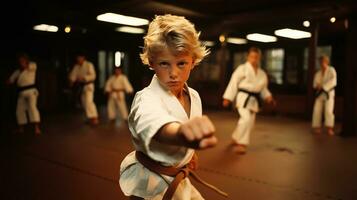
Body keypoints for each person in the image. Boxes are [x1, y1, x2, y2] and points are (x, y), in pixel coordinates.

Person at [119, 15, 227, 200]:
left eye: (181, 63)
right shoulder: (146, 99)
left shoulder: (193, 96)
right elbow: (153, 124)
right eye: (164, 63)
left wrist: (187, 155)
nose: (173, 74)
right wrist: (180, 134)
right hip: (151, 184)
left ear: (193, 61)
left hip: (178, 178)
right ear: (152, 63)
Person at [222, 47, 275, 154]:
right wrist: (228, 98)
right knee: (245, 119)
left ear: (259, 58)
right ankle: (242, 143)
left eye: (256, 57)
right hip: (243, 97)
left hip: (254, 99)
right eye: (252, 57)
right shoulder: (242, 69)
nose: (254, 59)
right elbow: (234, 82)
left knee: (250, 123)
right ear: (248, 57)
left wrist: (268, 97)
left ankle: (236, 137)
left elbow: (263, 88)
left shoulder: (262, 73)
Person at [7, 54, 41, 135]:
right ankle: (21, 129)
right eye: (20, 61)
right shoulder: (17, 72)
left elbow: (28, 67)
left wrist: (25, 65)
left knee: (32, 108)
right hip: (21, 92)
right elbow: (10, 80)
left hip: (31, 91)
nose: (21, 62)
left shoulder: (32, 65)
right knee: (19, 110)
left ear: (26, 60)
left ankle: (37, 128)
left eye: (23, 60)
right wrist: (8, 81)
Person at [69, 53, 99, 125]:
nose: (78, 59)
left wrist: (83, 78)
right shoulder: (76, 67)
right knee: (84, 102)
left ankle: (95, 117)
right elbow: (73, 75)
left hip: (89, 85)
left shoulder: (89, 65)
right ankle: (89, 118)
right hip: (81, 86)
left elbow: (93, 76)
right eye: (77, 58)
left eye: (80, 58)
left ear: (83, 58)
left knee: (89, 101)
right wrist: (72, 80)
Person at [312, 55, 337, 135]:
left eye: (323, 61)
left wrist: (323, 87)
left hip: (328, 93)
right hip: (319, 94)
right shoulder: (318, 73)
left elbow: (333, 81)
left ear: (326, 62)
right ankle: (317, 127)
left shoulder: (331, 70)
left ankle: (329, 128)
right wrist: (318, 86)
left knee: (328, 110)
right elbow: (315, 84)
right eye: (320, 62)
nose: (321, 63)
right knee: (317, 110)